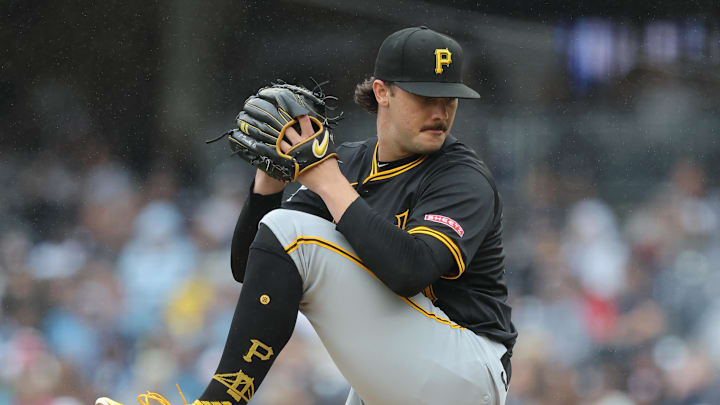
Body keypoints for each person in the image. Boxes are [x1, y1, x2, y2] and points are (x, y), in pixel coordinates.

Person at [97, 26, 517, 405]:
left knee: (294, 232)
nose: (440, 112)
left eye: (449, 99)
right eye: (426, 98)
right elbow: (253, 267)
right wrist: (269, 185)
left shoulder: (462, 177)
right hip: (404, 373)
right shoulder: (347, 164)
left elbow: (411, 271)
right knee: (286, 231)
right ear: (383, 92)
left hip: (465, 371)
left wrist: (326, 180)